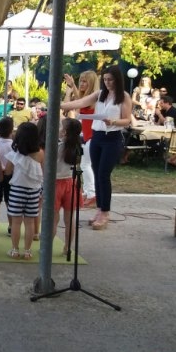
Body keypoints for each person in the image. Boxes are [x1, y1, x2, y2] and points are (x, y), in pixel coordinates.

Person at [60, 64, 132, 231]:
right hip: (96, 136)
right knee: (97, 172)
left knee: (103, 174)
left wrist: (113, 121)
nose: (107, 83)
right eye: (105, 79)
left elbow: (127, 120)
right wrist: (61, 105)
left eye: (110, 80)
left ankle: (105, 212)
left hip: (112, 137)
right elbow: (80, 101)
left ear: (117, 80)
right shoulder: (100, 94)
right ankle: (100, 208)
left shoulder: (124, 96)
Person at [4, 122, 43, 260]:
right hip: (34, 191)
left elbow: (8, 171)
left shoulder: (15, 153)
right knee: (30, 222)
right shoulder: (40, 153)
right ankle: (27, 251)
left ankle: (15, 250)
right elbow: (44, 172)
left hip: (17, 190)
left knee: (16, 222)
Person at [63, 71, 99, 208]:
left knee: (85, 165)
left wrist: (72, 88)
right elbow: (80, 101)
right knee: (85, 165)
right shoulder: (89, 98)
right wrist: (73, 86)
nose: (82, 84)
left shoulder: (93, 99)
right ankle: (90, 192)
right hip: (89, 136)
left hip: (92, 136)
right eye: (81, 81)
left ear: (91, 83)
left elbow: (78, 103)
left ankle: (91, 194)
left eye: (85, 81)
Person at [54, 118, 83, 256]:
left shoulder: (58, 147)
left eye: (60, 127)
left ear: (64, 132)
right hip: (71, 183)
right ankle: (67, 247)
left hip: (56, 183)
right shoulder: (78, 148)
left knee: (53, 219)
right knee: (70, 219)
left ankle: (47, 247)